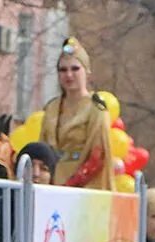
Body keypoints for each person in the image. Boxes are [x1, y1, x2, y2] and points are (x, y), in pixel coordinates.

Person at [38, 37, 114, 190]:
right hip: (51, 184)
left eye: (75, 69)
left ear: (87, 71)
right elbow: (41, 150)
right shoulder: (51, 107)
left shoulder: (96, 108)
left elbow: (98, 157)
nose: (69, 75)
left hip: (85, 188)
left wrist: (71, 185)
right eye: (63, 70)